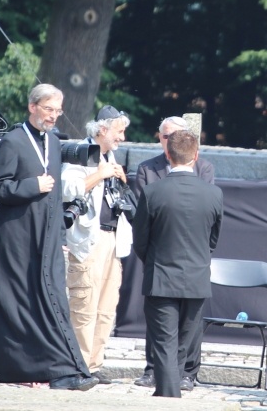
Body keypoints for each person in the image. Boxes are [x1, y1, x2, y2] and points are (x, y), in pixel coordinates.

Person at [0, 83, 97, 391]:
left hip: (46, 238)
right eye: (48, 109)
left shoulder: (53, 141)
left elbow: (52, 194)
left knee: (51, 303)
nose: (53, 116)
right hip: (11, 241)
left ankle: (65, 370)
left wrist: (58, 234)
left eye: (57, 110)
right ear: (32, 107)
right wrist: (31, 185)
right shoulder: (12, 141)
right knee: (9, 308)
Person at [133, 130, 223, 397]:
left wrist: (154, 262)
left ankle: (168, 397)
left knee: (164, 342)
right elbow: (213, 240)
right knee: (183, 344)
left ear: (168, 154)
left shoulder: (151, 192)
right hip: (196, 279)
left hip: (160, 276)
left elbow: (140, 240)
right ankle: (169, 394)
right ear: (195, 156)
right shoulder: (214, 193)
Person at [61, 105, 132, 384]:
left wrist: (120, 180)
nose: (122, 138)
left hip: (113, 239)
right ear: (103, 130)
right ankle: (78, 364)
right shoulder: (81, 154)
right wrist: (101, 174)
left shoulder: (110, 156)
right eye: (119, 131)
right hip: (89, 240)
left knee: (106, 307)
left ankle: (95, 364)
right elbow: (67, 190)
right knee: (84, 304)